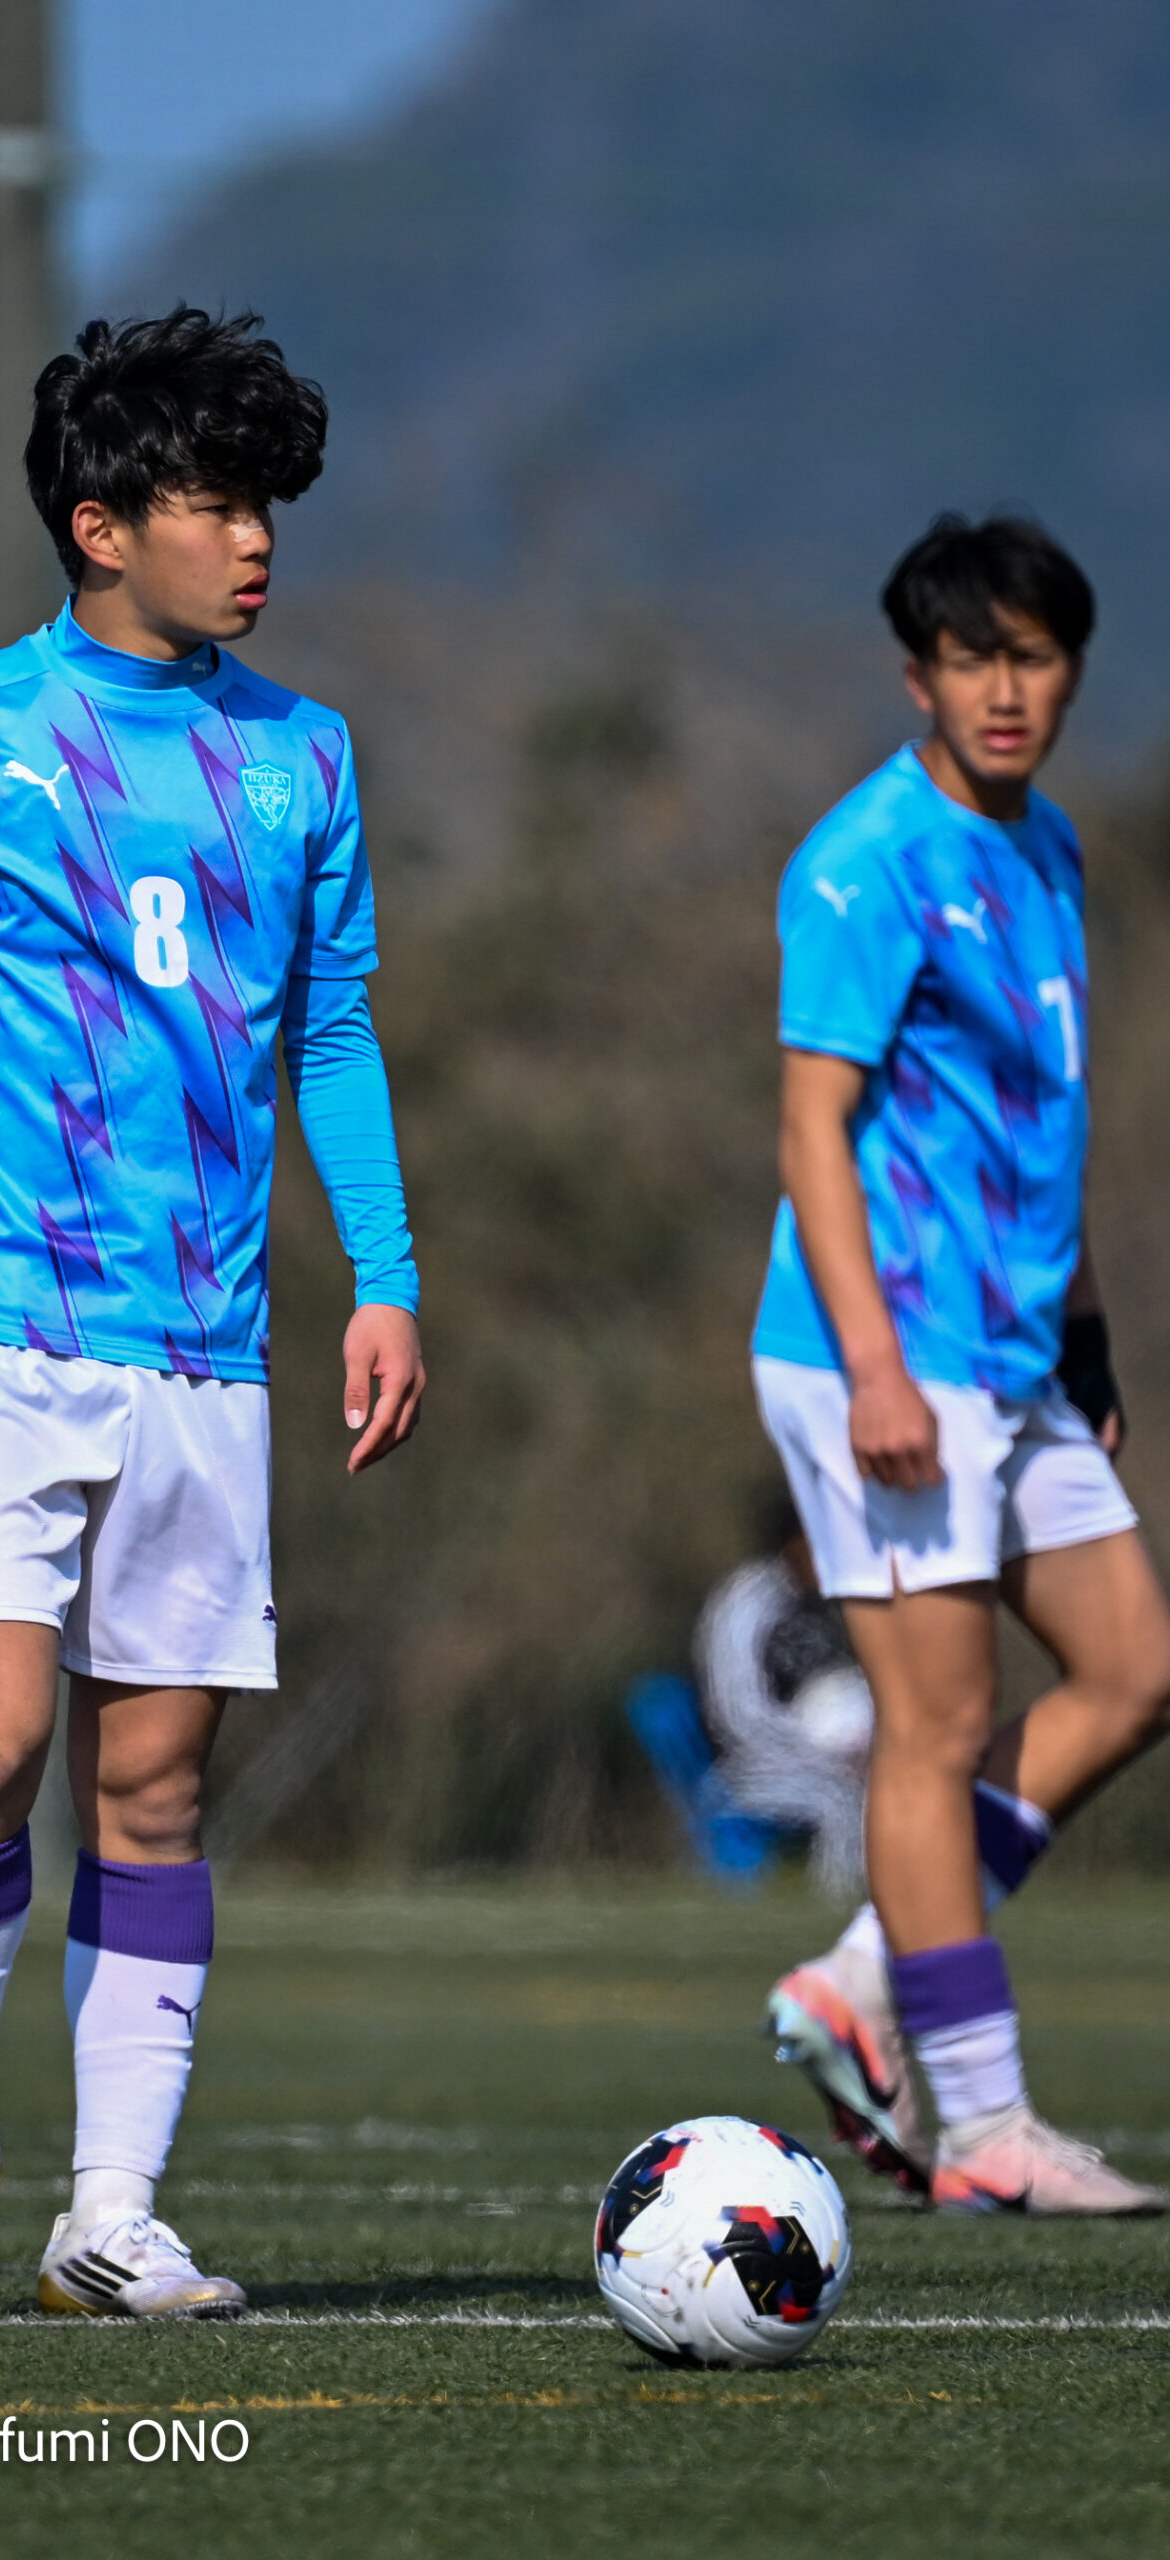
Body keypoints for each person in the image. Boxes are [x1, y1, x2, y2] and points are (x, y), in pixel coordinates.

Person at [0, 307, 425, 2313]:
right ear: (99, 524)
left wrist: (384, 1276)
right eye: (216, 501)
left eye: (265, 504)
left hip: (201, 1343)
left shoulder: (302, 754)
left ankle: (110, 2214)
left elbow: (331, 1031)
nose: (254, 540)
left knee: (151, 1790)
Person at [752, 514, 1170, 2212]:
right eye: (970, 658)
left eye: (1033, 656)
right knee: (937, 1725)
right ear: (914, 676)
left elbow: (1034, 1124)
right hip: (886, 1356)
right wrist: (872, 1368)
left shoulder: (1045, 846)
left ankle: (866, 1972)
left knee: (1133, 1670)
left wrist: (1085, 1336)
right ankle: (985, 2131)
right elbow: (811, 1130)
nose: (1004, 690)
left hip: (1013, 1355)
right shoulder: (863, 861)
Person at [693, 1489, 872, 1894]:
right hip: (747, 1766)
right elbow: (739, 1715)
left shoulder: (816, 1601)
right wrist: (826, 1754)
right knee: (840, 1798)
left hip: (817, 1755)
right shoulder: (746, 1605)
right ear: (793, 1544)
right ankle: (835, 1903)